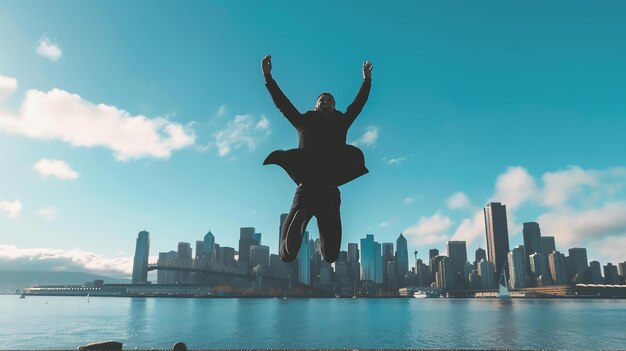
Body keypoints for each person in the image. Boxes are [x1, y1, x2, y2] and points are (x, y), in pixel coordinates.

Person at [262, 55, 373, 263]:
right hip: (323, 192)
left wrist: (366, 81)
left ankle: (306, 225)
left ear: (334, 107)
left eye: (330, 101)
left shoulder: (336, 121)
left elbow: (358, 104)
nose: (326, 103)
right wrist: (268, 77)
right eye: (322, 100)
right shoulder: (311, 122)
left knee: (290, 254)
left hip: (312, 192)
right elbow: (283, 104)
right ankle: (307, 227)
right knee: (319, 255)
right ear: (316, 106)